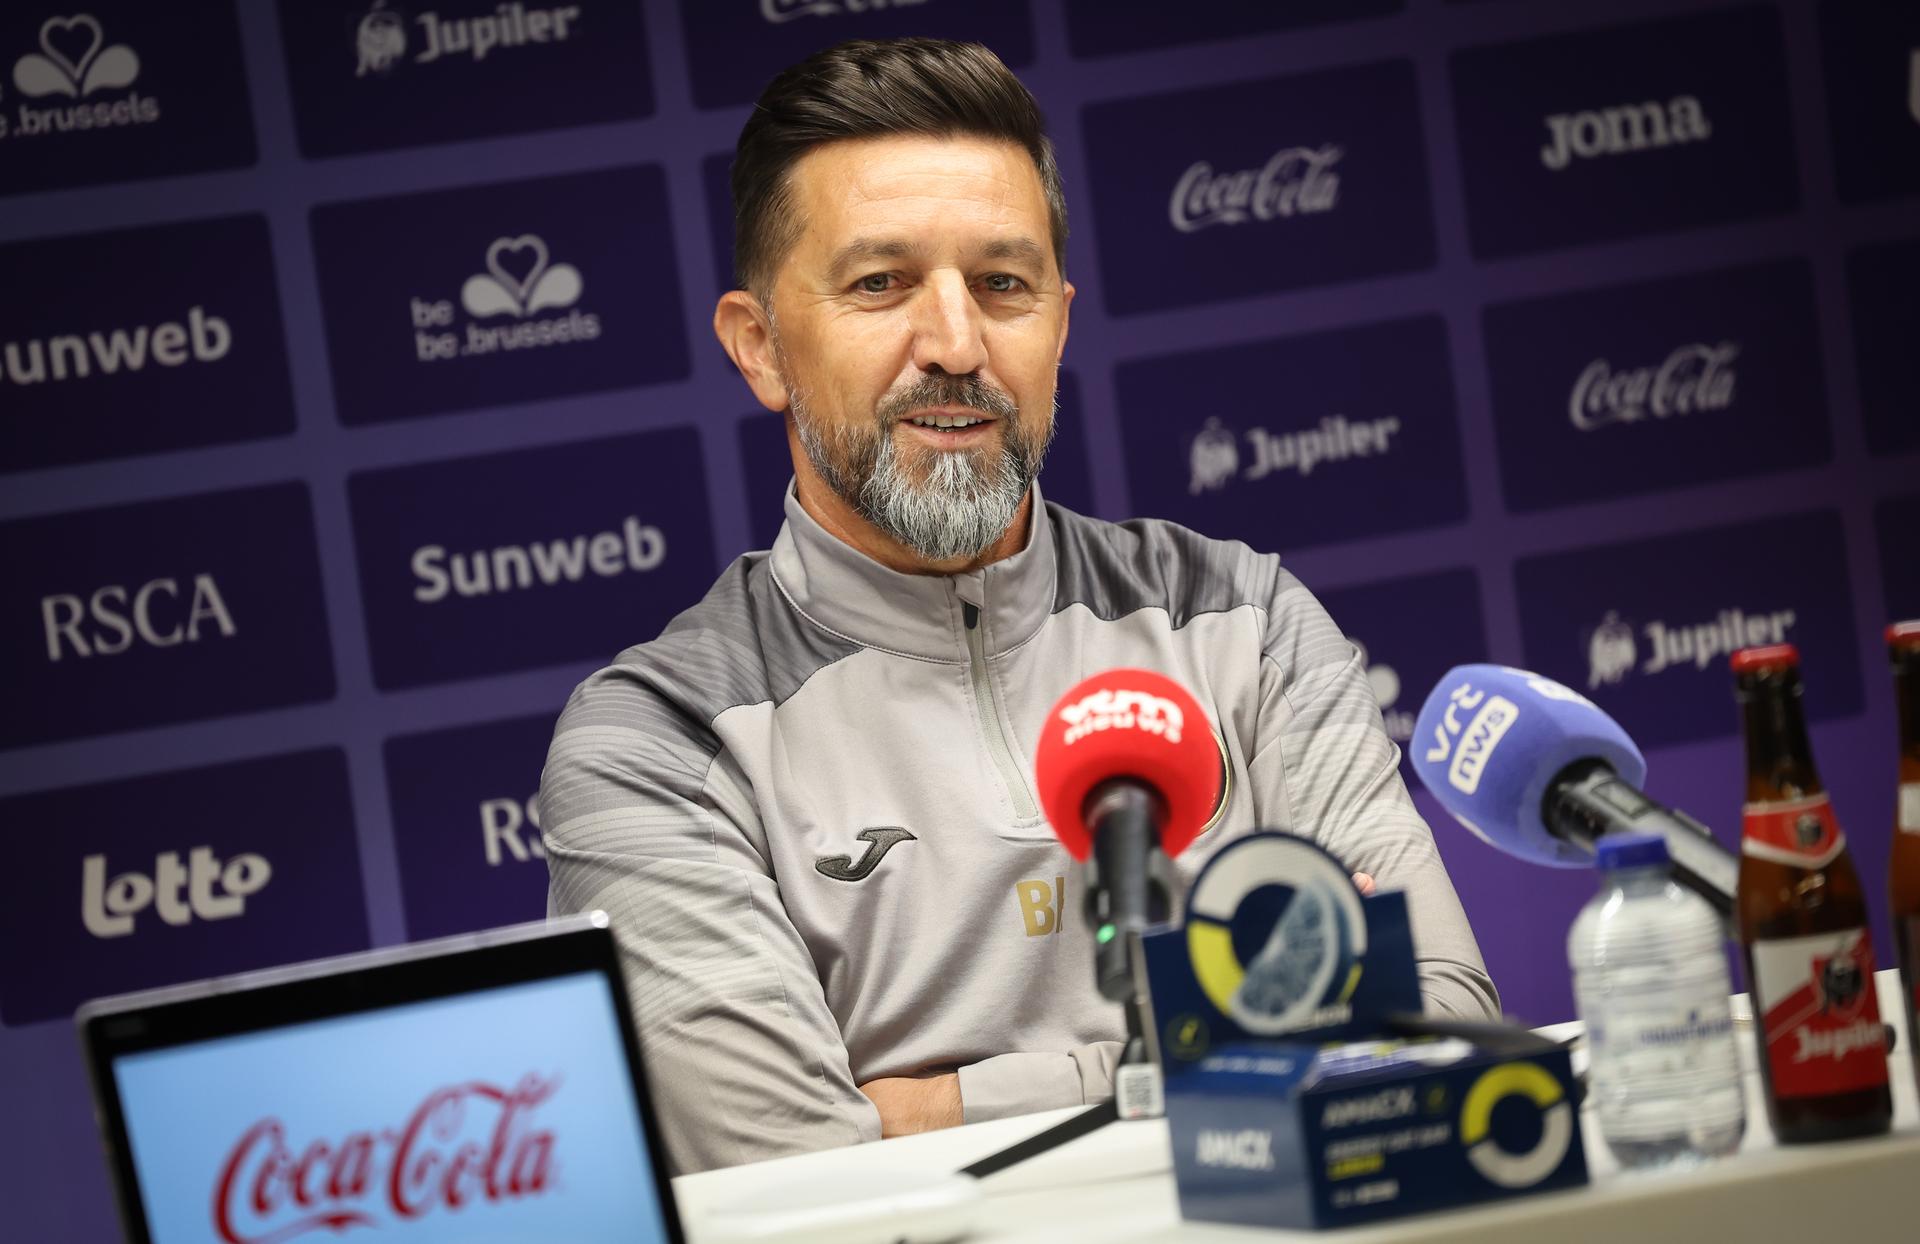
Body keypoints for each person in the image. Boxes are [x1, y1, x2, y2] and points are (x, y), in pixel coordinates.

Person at [540, 37, 1497, 1175]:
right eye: (880, 284)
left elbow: (1444, 1037)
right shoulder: (652, 742)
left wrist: (944, 1106)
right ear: (762, 348)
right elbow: (798, 1186)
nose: (954, 346)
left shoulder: (1245, 617)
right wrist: (1242, 1058)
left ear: (1059, 321)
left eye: (1003, 284)